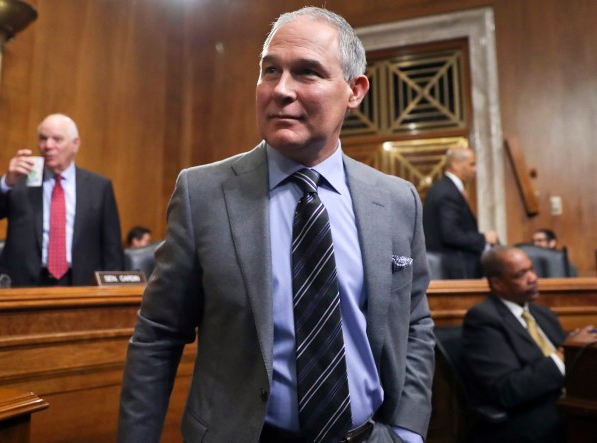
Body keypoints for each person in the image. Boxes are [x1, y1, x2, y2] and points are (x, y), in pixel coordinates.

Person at [118, 7, 434, 443]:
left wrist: (407, 431)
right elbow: (158, 336)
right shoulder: (204, 193)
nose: (280, 90)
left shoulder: (397, 200)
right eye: (270, 70)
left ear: (355, 90)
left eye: (307, 73)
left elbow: (415, 323)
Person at [461, 246, 597, 443]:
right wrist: (565, 353)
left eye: (532, 269)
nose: (533, 278)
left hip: (567, 404)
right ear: (497, 283)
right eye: (521, 274)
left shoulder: (543, 314)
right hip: (526, 419)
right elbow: (507, 390)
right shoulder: (483, 319)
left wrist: (585, 349)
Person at [0, 113, 124, 287]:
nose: (48, 146)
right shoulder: (19, 183)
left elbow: (112, 248)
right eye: (43, 139)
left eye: (57, 139)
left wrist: (112, 292)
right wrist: (6, 181)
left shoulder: (98, 187)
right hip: (26, 286)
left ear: (75, 144)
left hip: (80, 285)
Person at [423, 147, 498, 279]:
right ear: (456, 165)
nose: (475, 170)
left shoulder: (446, 187)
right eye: (472, 164)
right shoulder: (448, 192)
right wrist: (484, 238)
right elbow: (450, 234)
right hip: (454, 268)